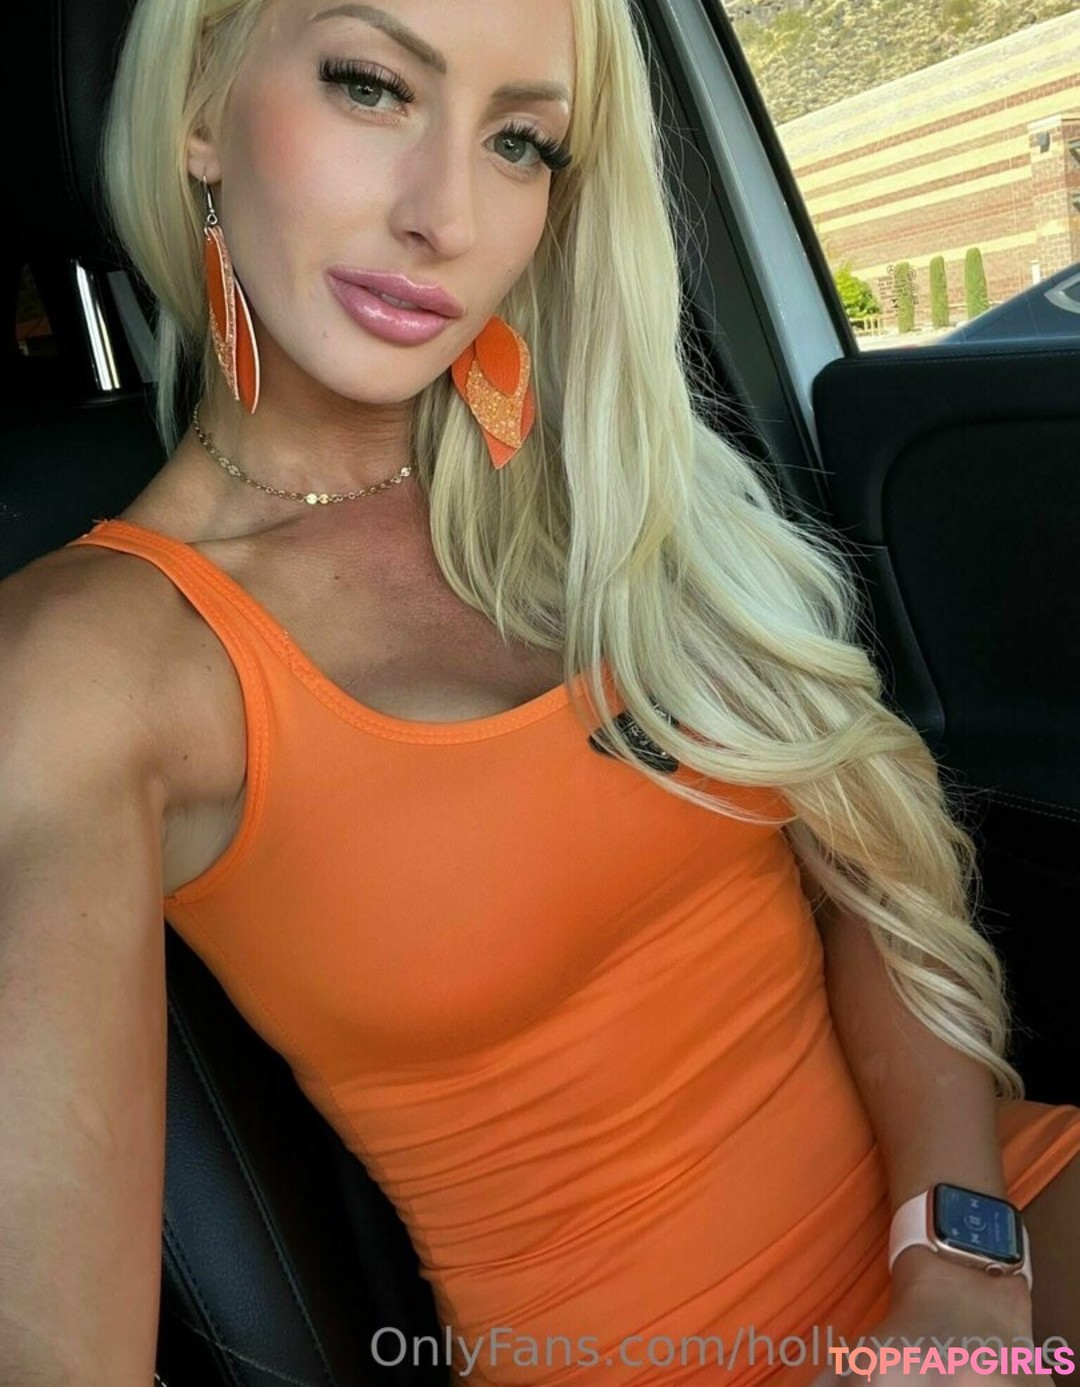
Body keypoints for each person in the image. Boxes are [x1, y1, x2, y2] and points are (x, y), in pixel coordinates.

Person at [0, 0, 1077, 1383]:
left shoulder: (603, 476)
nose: (446, 216)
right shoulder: (89, 666)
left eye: (520, 142)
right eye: (370, 85)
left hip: (980, 1230)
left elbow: (872, 889)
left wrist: (959, 1271)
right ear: (201, 110)